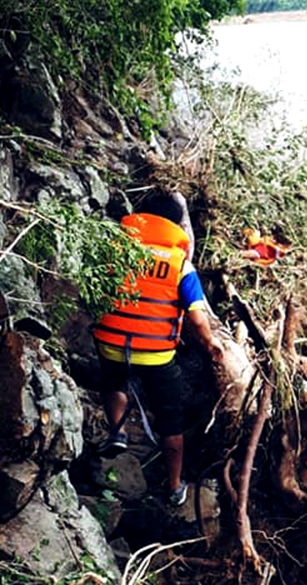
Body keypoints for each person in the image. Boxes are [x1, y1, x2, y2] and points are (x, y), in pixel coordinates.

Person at [92, 191, 224, 508]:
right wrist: (211, 344)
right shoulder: (179, 265)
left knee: (115, 382)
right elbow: (196, 317)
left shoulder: (114, 249)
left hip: (112, 345)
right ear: (176, 224)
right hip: (156, 354)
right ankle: (176, 486)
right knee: (171, 418)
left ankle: (117, 432)